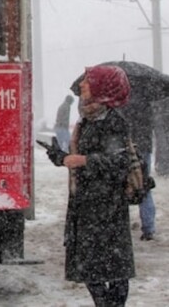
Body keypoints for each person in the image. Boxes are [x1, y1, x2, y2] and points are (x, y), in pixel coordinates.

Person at [47, 65, 134, 307]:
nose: (83, 84)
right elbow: (83, 158)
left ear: (102, 87)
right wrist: (61, 157)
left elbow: (120, 162)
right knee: (91, 269)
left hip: (107, 208)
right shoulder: (87, 118)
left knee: (112, 272)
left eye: (88, 80)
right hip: (87, 205)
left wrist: (85, 161)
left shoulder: (113, 121)